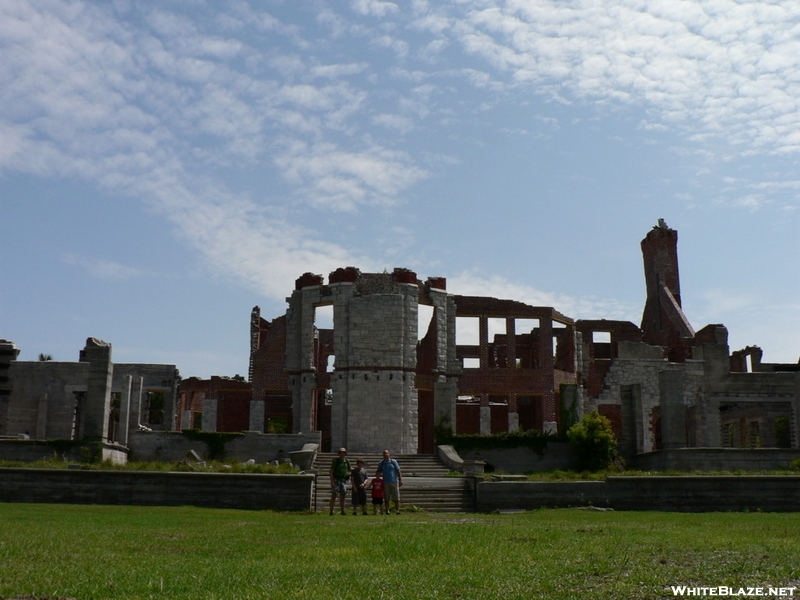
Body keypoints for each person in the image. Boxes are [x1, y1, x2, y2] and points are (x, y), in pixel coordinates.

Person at [377, 449, 402, 514]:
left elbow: (398, 470)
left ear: (389, 454)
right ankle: (387, 510)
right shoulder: (381, 463)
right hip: (385, 482)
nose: (385, 455)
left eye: (386, 453)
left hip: (394, 481)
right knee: (386, 497)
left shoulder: (393, 461)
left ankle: (397, 510)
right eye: (384, 453)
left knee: (396, 497)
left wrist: (400, 480)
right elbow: (378, 471)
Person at [329, 447, 350, 516]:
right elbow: (331, 471)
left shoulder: (346, 461)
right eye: (341, 452)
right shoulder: (336, 461)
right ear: (339, 453)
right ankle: (331, 511)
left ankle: (342, 510)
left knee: (343, 495)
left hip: (343, 480)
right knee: (334, 495)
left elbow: (349, 469)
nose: (342, 454)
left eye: (343, 452)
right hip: (336, 480)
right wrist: (332, 481)